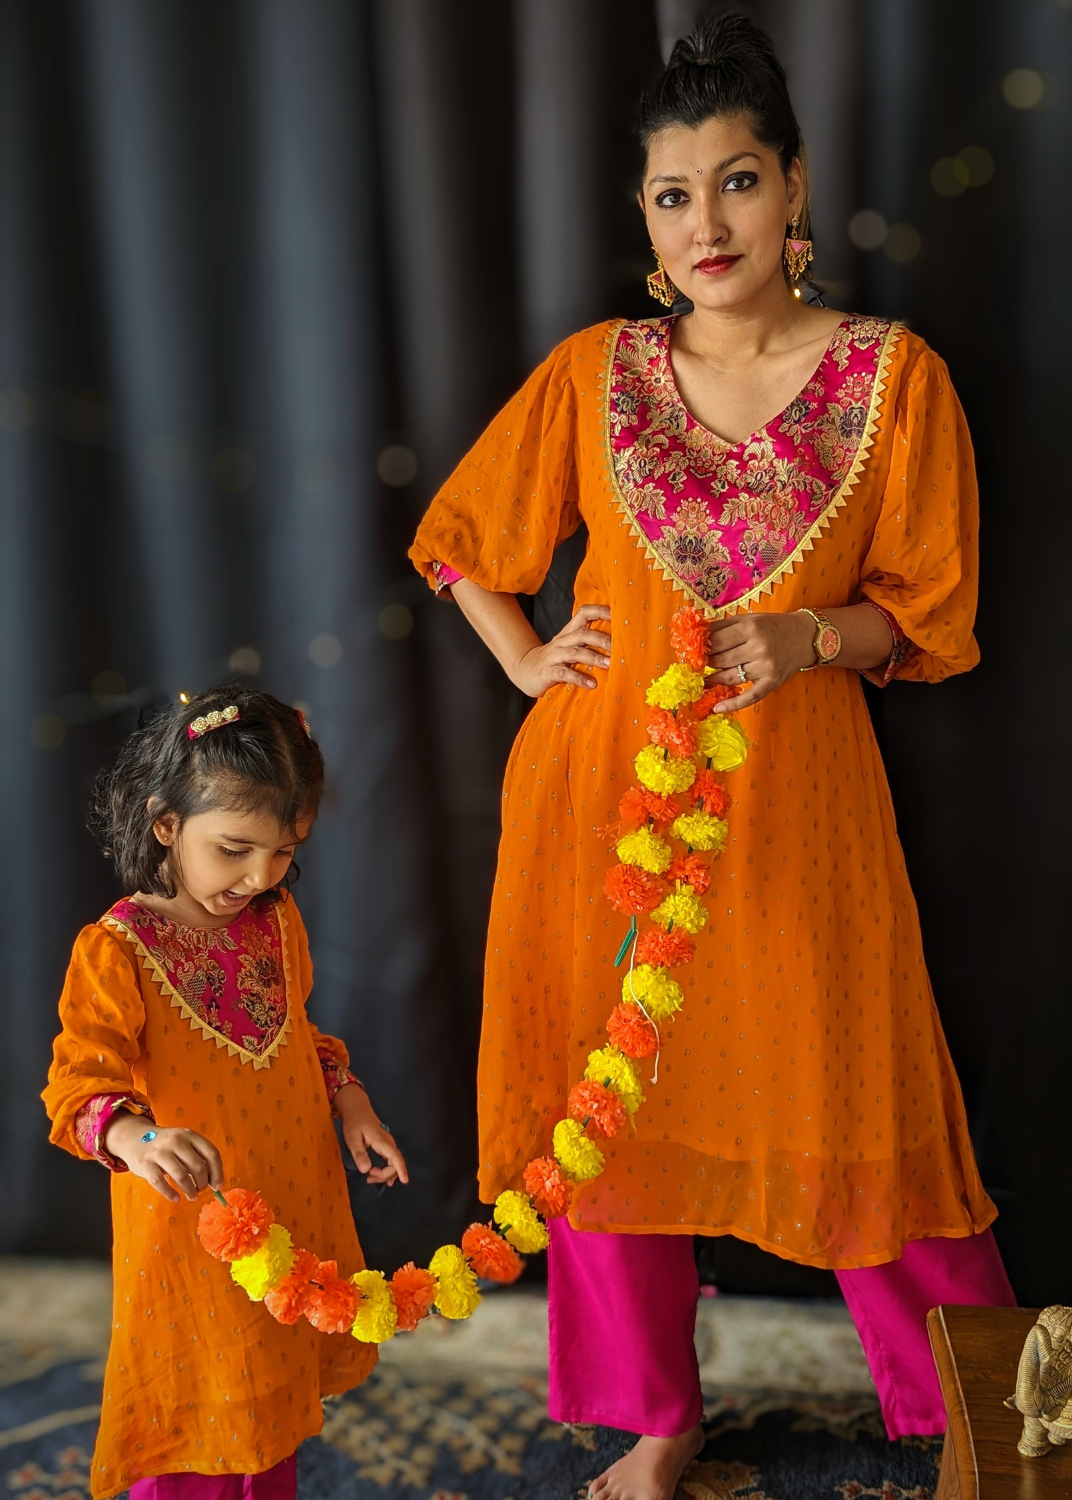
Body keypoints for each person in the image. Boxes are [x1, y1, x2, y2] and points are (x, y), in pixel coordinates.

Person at [410, 14, 1015, 1500]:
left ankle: (1005, 1422)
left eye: (737, 182)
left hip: (800, 808)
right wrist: (525, 660)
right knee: (609, 1114)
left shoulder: (892, 378)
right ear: (643, 216)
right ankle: (654, 1417)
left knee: (870, 1100)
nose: (707, 224)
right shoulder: (594, 373)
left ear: (794, 186)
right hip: (597, 796)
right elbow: (461, 538)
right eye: (673, 196)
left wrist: (809, 637)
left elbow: (929, 614)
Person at [43, 685, 408, 1500]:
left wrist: (350, 1101)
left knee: (273, 1402)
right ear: (166, 824)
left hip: (293, 1199)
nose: (258, 876)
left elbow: (297, 1034)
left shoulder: (277, 921)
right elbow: (78, 1084)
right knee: (200, 1420)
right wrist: (138, 1139)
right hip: (193, 1234)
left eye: (283, 852)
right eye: (235, 849)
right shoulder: (117, 950)